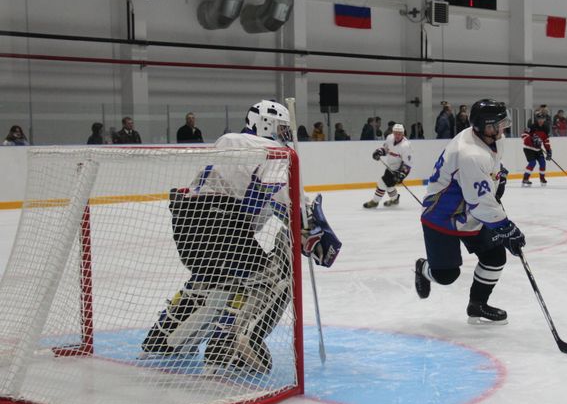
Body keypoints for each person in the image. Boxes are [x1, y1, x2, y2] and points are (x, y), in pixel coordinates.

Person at [141, 100, 341, 374]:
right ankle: (231, 346)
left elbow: (254, 196)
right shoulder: (270, 151)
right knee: (274, 277)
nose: (284, 135)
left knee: (214, 279)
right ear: (266, 124)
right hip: (223, 224)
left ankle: (166, 338)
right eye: (282, 128)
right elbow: (283, 197)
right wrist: (311, 228)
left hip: (187, 226)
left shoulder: (229, 141)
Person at [414, 99, 523, 325]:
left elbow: (490, 168)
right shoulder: (470, 154)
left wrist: (498, 176)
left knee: (495, 257)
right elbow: (480, 203)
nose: (503, 129)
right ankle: (423, 268)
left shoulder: (489, 139)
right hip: (442, 216)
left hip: (471, 213)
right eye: (499, 125)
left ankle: (477, 305)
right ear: (486, 126)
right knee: (446, 276)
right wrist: (505, 227)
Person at [363, 123, 412, 208]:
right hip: (390, 167)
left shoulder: (405, 146)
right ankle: (395, 199)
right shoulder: (389, 138)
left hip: (398, 169)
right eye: (396, 133)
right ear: (393, 132)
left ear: (403, 134)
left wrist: (401, 175)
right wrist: (379, 152)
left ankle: (375, 202)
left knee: (382, 183)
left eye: (400, 133)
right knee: (389, 186)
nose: (397, 135)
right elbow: (386, 149)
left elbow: (408, 163)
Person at [521, 113, 552, 187]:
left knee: (543, 163)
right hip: (528, 148)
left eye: (542, 119)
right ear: (536, 119)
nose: (541, 120)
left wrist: (548, 151)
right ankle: (525, 179)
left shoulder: (546, 128)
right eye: (539, 119)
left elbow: (546, 140)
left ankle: (542, 178)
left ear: (544, 119)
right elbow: (523, 135)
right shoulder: (531, 126)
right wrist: (532, 140)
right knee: (532, 163)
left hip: (538, 149)